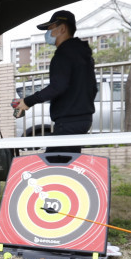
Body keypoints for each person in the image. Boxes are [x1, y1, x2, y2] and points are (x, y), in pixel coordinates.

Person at [14, 10, 96, 153]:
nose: (47, 33)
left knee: (54, 161)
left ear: (62, 29)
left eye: (50, 28)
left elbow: (57, 87)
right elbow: (93, 88)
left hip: (68, 121)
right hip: (83, 119)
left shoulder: (63, 54)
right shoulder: (82, 54)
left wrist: (28, 101)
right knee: (67, 161)